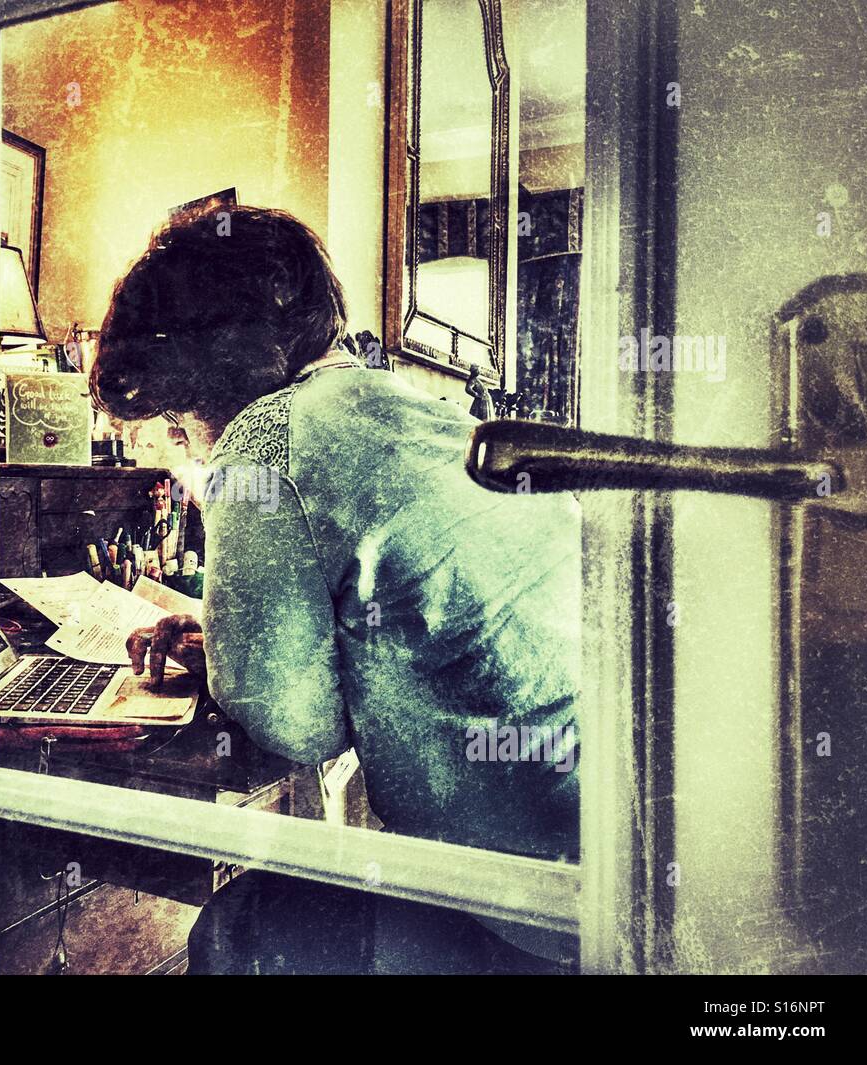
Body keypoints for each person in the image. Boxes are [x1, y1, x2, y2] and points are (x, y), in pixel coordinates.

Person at [91, 206, 581, 974]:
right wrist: (224, 640)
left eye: (173, 415)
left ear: (201, 374)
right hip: (598, 850)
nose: (178, 439)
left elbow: (296, 727)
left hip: (520, 914)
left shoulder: (264, 438)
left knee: (234, 932)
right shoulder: (409, 407)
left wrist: (235, 663)